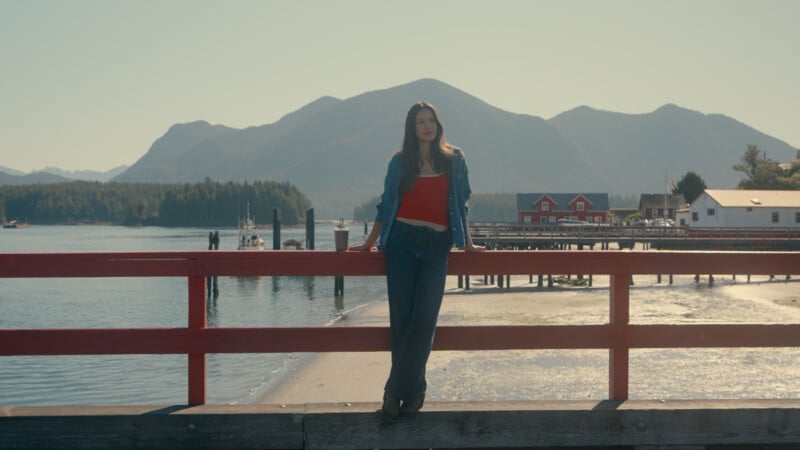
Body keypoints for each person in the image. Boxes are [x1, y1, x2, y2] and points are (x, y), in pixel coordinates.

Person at [350, 101, 483, 419]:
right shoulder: (399, 162)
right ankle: (414, 394)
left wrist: (467, 243)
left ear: (438, 125)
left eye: (431, 120)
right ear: (412, 128)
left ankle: (394, 391)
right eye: (420, 121)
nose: (427, 126)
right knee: (403, 322)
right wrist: (370, 243)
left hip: (437, 247)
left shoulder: (454, 159)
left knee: (424, 320)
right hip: (401, 245)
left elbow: (461, 201)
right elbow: (385, 205)